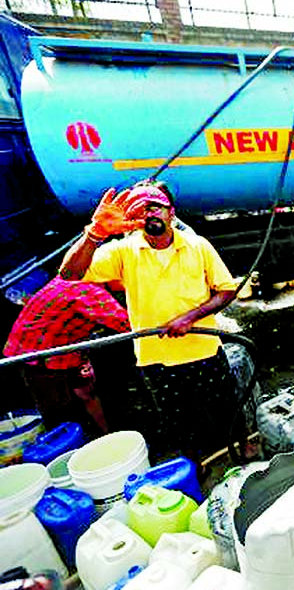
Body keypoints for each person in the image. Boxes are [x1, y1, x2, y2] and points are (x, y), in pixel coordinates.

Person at [59, 184, 239, 462]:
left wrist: (190, 317)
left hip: (205, 348)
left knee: (227, 406)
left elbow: (226, 289)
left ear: (171, 213)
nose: (149, 214)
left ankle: (245, 447)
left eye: (155, 207)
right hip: (155, 357)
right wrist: (94, 234)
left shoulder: (197, 245)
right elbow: (70, 274)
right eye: (141, 210)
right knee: (177, 419)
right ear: (133, 219)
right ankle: (195, 467)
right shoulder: (122, 251)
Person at [3, 276, 130, 437]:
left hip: (68, 347)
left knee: (87, 393)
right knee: (59, 409)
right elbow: (127, 324)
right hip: (37, 354)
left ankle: (109, 437)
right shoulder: (88, 290)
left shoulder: (72, 273)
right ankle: (73, 451)